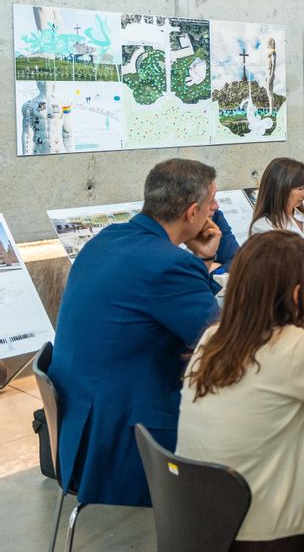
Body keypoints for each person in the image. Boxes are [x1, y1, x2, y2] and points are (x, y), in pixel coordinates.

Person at [177, 231, 304, 551]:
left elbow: (248, 434)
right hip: (263, 529)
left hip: (201, 509)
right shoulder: (296, 347)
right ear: (299, 294)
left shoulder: (214, 337)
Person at [49, 158, 224, 507]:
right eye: (212, 201)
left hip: (81, 430)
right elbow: (226, 343)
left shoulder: (108, 238)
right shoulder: (169, 264)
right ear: (192, 212)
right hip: (130, 438)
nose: (215, 208)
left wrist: (201, 260)